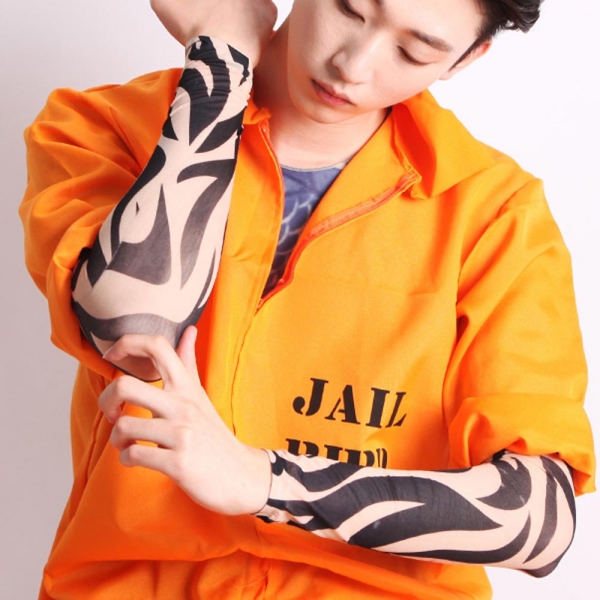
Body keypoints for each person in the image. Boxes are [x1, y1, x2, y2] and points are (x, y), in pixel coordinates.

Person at [20, 0, 595, 598]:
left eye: (413, 52)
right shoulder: (105, 125)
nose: (353, 65)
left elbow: (538, 520)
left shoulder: (495, 213)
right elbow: (134, 331)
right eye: (350, 10)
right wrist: (220, 69)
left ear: (465, 59)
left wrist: (265, 481)